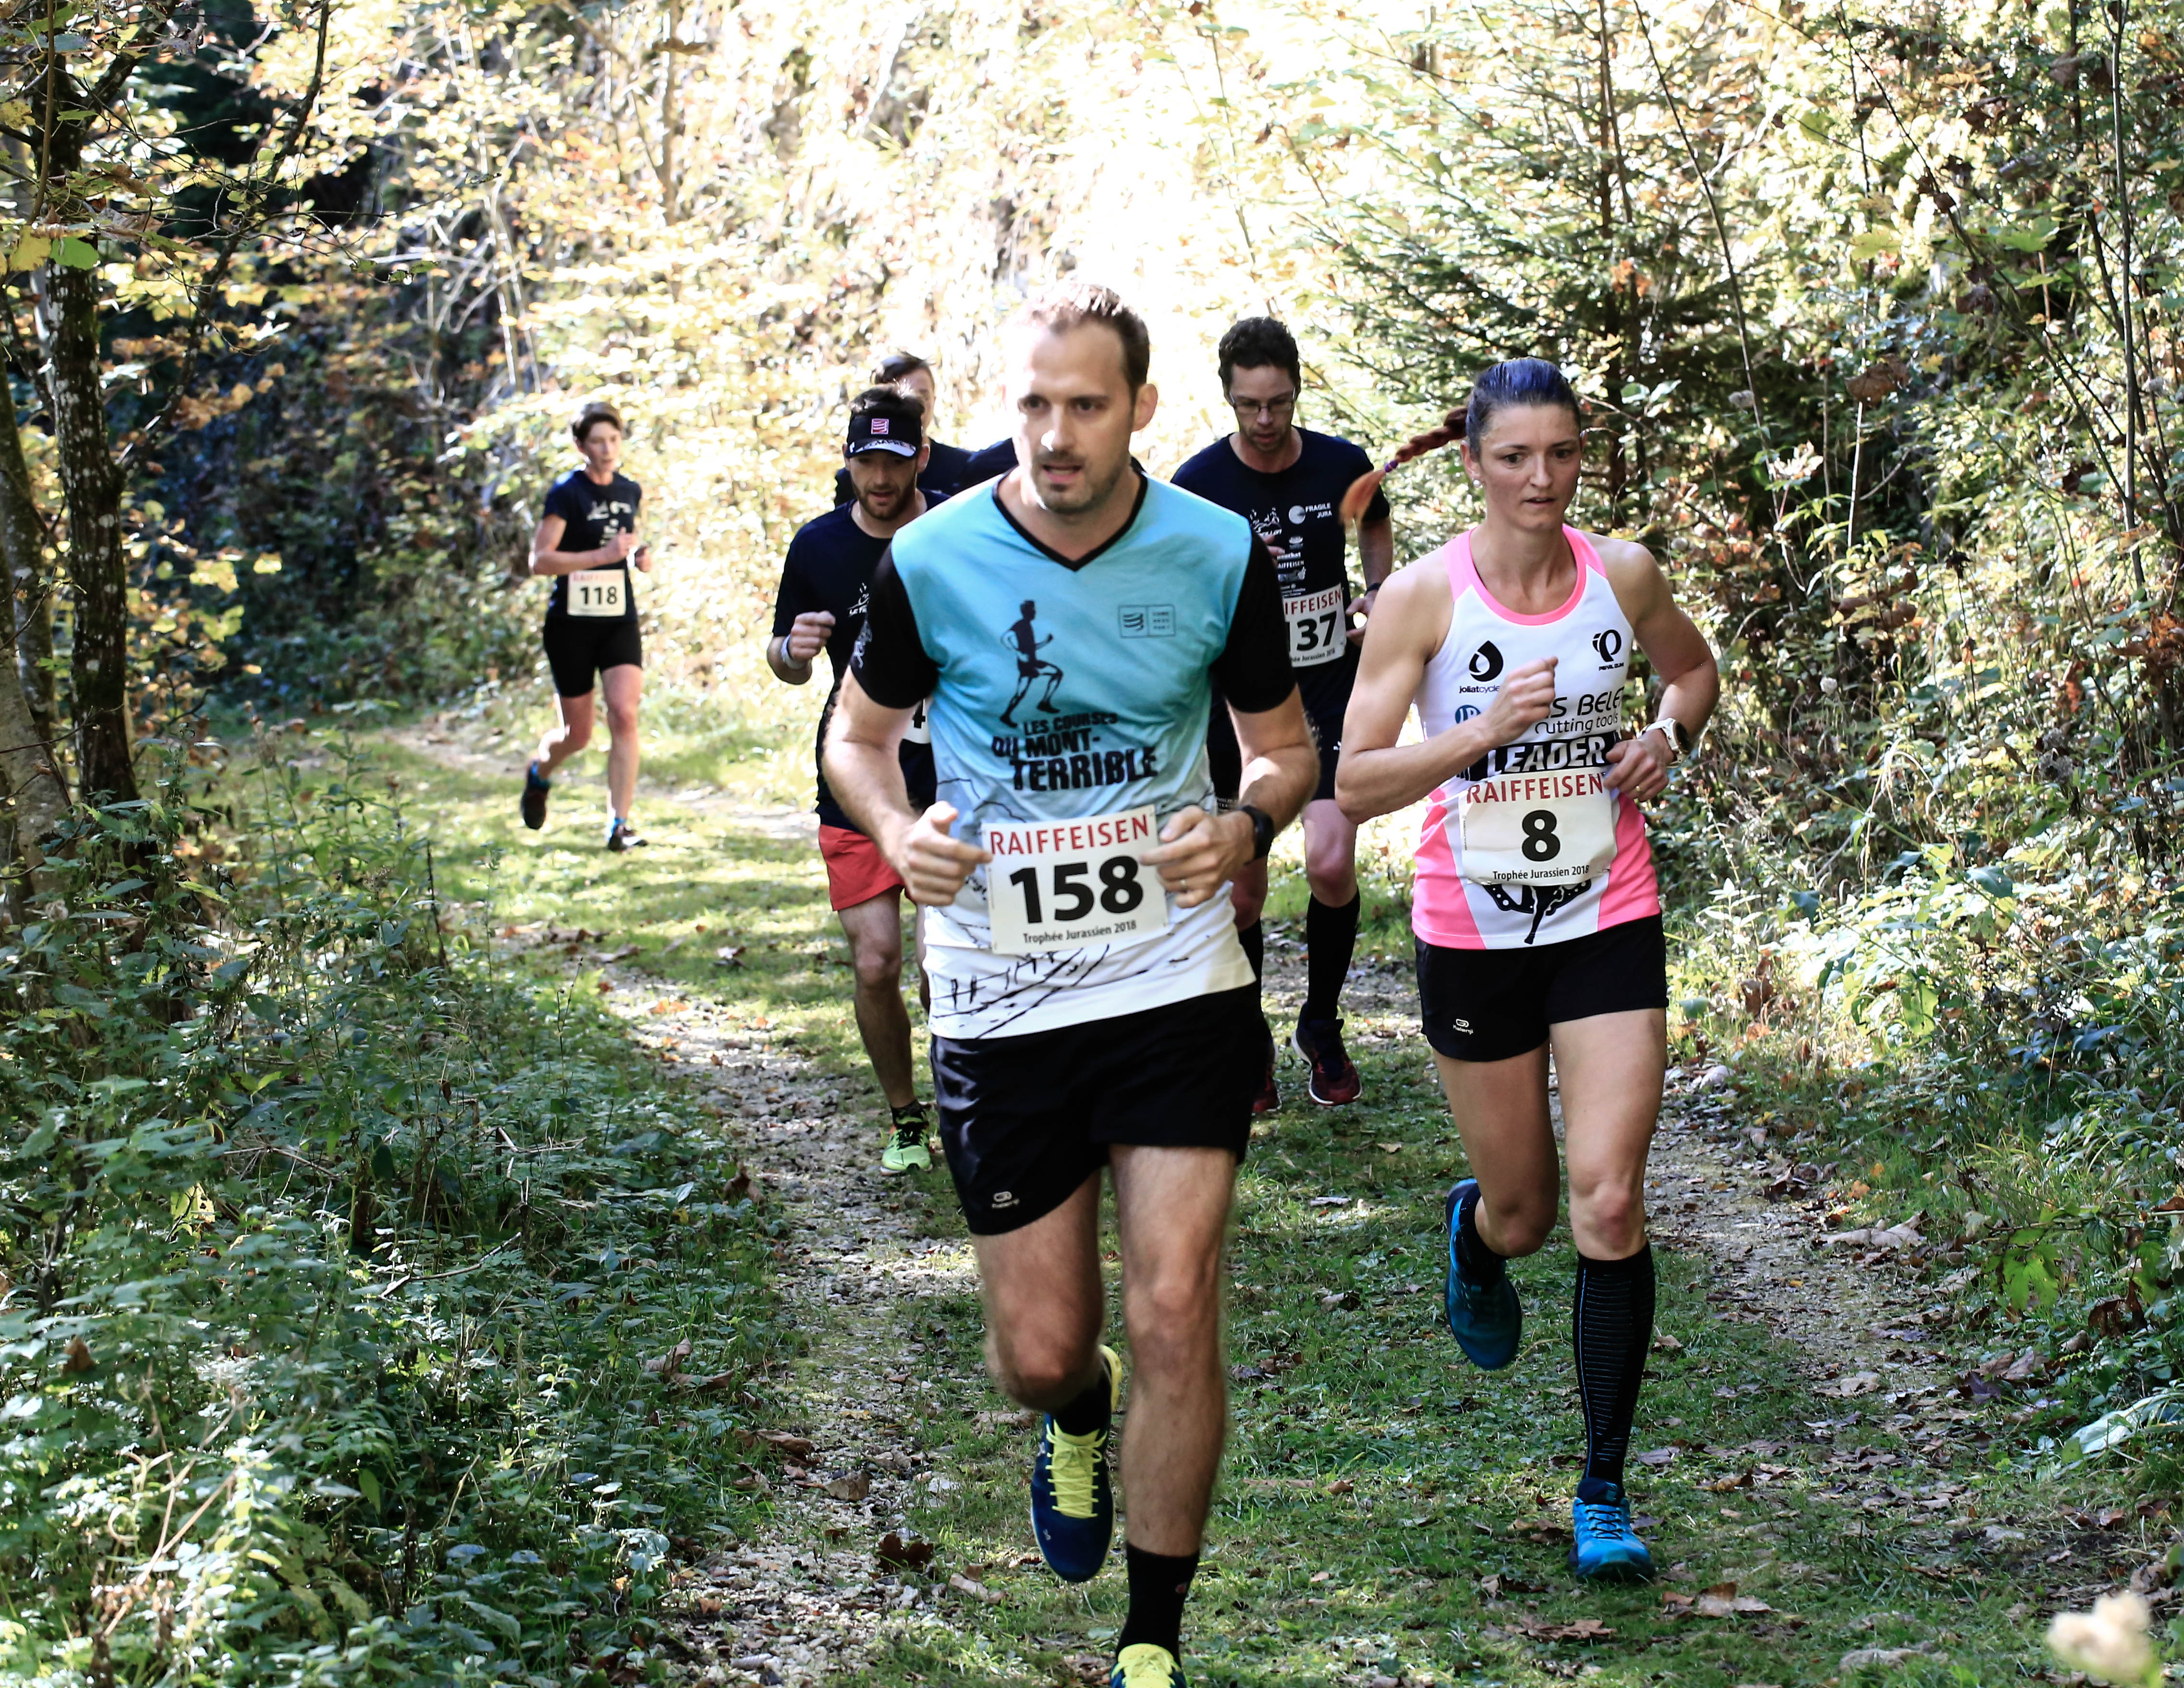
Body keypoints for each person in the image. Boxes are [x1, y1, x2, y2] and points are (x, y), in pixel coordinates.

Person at [824, 281, 1316, 1688]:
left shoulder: (1215, 552)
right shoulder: (932, 558)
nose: (1053, 434)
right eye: (1033, 404)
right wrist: (893, 830)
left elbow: (1286, 749)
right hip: (1001, 989)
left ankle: (1150, 1643)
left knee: (1173, 1304)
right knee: (1043, 1352)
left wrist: (1245, 825)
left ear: (1140, 409)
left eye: (1085, 405)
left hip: (1172, 978)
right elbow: (857, 739)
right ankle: (1076, 1410)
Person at [1336, 357, 1719, 1581]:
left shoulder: (1622, 573)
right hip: (1473, 932)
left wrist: (1664, 734)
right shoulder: (1420, 598)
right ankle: (1477, 1230)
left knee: (1607, 1200)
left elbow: (1692, 671)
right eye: (1513, 457)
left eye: (1559, 454)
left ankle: (1601, 1486)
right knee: (1530, 1212)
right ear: (1472, 464)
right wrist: (1478, 733)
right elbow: (1353, 779)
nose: (1539, 479)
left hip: (1607, 911)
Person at [1171, 317, 1394, 1111]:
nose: (1264, 420)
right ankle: (1249, 1040)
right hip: (1239, 704)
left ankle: (1320, 1025)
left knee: (1331, 864)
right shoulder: (1197, 483)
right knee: (1243, 892)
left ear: (1296, 390)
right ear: (1227, 397)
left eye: (1278, 402)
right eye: (1248, 405)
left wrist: (1377, 590)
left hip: (1326, 688)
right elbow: (1169, 584)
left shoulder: (1340, 463)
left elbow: (1374, 522)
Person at [770, 387, 946, 1175]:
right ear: (846, 461)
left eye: (894, 461)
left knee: (945, 968)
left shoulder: (956, 532)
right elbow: (781, 658)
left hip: (950, 781)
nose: (879, 477)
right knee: (876, 962)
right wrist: (793, 649)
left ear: (921, 458)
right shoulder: (817, 545)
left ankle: (969, 1105)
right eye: (865, 461)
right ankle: (906, 1117)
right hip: (857, 782)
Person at [521, 402, 652, 851]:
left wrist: (637, 557)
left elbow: (623, 546)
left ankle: (620, 825)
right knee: (577, 735)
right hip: (571, 625)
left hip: (618, 619)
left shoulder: (629, 490)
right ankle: (539, 773)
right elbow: (540, 561)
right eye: (598, 442)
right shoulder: (566, 493)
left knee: (625, 713)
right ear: (581, 446)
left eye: (614, 440)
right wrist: (601, 557)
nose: (607, 449)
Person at [831, 351, 979, 505]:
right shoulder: (851, 480)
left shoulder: (965, 467)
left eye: (923, 396)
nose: (881, 479)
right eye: (902, 397)